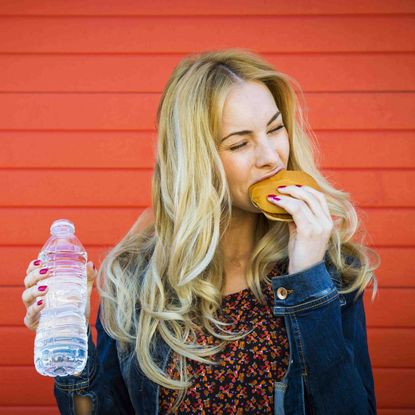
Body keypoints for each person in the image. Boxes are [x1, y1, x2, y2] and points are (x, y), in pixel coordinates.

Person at [22, 48, 380, 415]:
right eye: (240, 143)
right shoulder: (132, 280)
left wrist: (307, 280)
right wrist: (71, 338)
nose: (271, 156)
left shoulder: (330, 268)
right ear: (196, 162)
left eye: (275, 128)